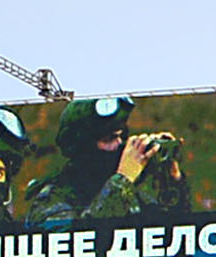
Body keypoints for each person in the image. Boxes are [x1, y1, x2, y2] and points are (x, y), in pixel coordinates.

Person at [27, 94, 190, 225]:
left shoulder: (130, 196)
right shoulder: (53, 198)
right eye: (109, 139)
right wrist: (123, 179)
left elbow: (173, 234)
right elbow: (78, 246)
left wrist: (173, 181)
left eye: (120, 136)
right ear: (83, 147)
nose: (120, 145)